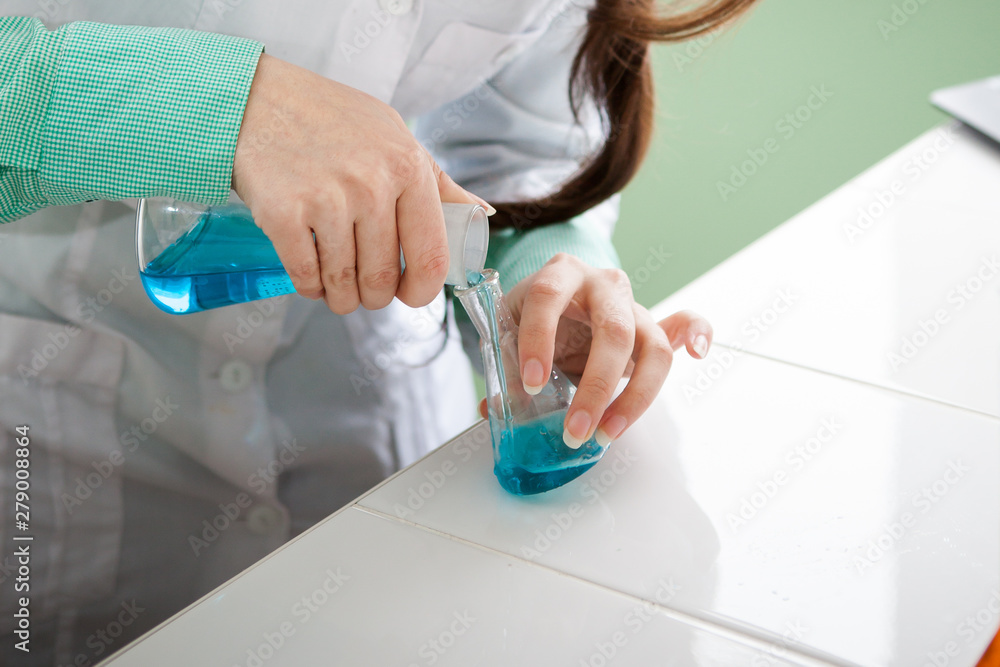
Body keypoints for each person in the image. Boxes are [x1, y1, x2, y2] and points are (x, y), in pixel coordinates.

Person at [0, 0, 755, 663]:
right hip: (65, 452)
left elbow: (519, 164)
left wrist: (547, 278)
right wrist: (229, 109)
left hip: (375, 447)